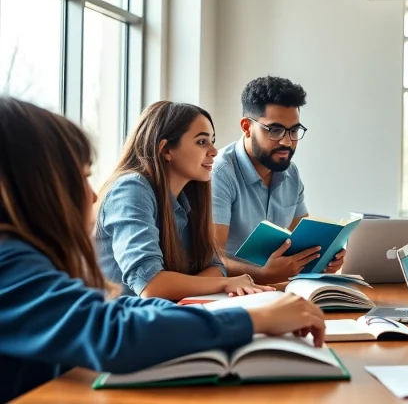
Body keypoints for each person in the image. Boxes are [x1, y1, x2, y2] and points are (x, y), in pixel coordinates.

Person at [0, 97, 326, 403]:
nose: (93, 196)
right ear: (31, 187)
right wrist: (252, 317)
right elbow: (116, 327)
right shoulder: (9, 263)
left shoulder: (189, 198)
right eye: (80, 179)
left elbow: (210, 267)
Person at [96, 101, 273, 299]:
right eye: (201, 142)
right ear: (166, 150)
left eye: (212, 141)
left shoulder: (189, 195)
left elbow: (215, 266)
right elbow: (151, 285)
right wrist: (225, 284)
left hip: (161, 314)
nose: (214, 151)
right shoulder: (131, 189)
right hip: (117, 322)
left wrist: (217, 282)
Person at [212, 76, 344, 283]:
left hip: (277, 289)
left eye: (293, 131)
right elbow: (211, 259)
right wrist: (263, 274)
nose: (287, 142)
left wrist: (326, 256)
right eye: (275, 130)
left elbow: (303, 240)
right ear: (247, 127)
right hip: (229, 294)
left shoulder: (291, 173)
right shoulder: (219, 174)